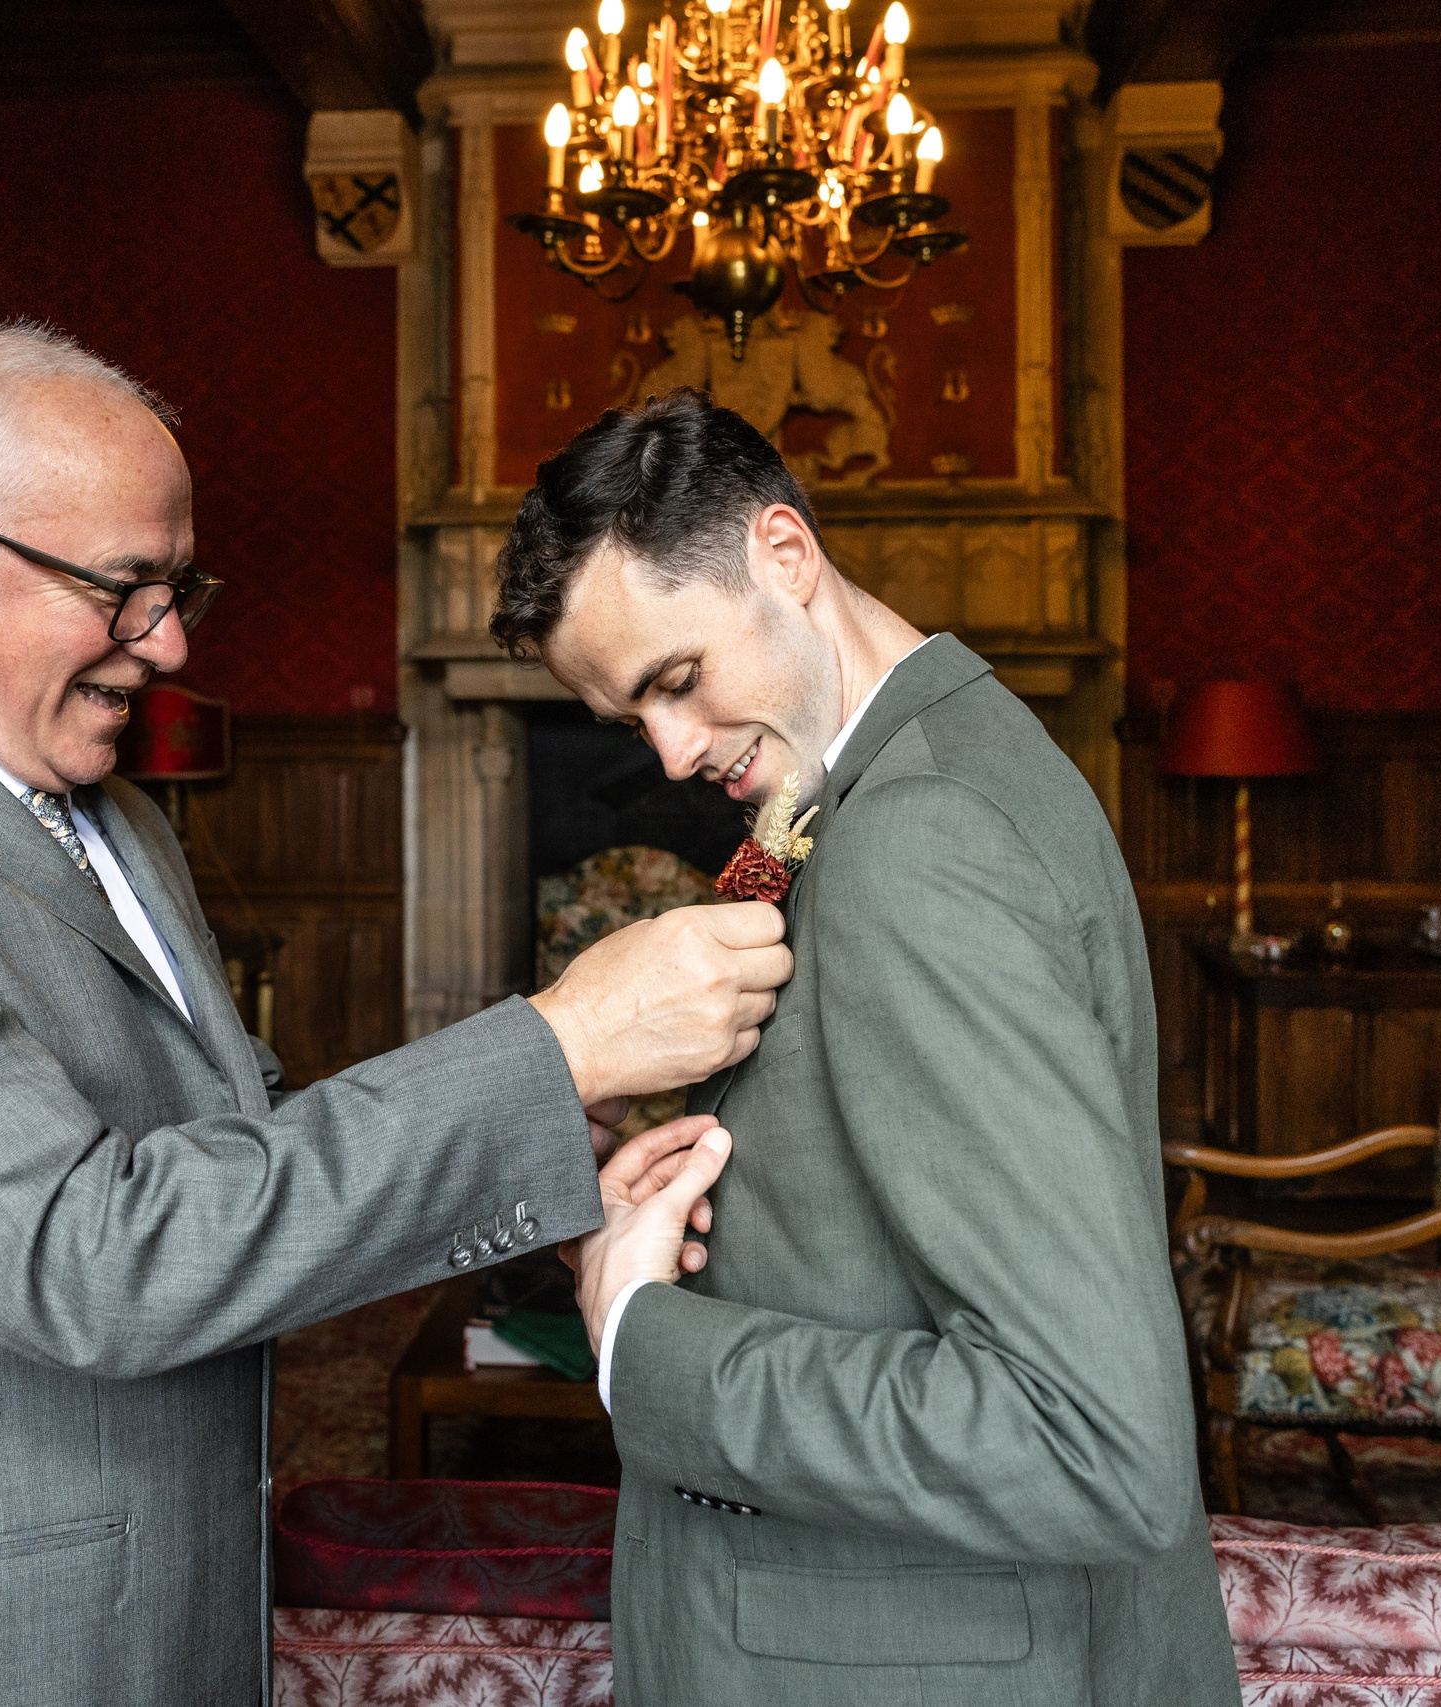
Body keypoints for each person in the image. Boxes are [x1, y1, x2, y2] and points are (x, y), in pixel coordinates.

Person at [0, 324, 793, 1704]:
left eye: (180, 586)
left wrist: (551, 1131)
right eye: (125, 588)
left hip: (165, 1631)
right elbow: (91, 1254)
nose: (166, 644)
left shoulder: (115, 817)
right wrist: (559, 1040)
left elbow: (216, 1159)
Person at [490, 390, 1238, 1705]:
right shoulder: (847, 790)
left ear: (785, 553)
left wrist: (639, 1339)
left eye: (676, 679)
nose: (666, 750)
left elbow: (1091, 1441)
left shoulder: (915, 837)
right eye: (627, 719)